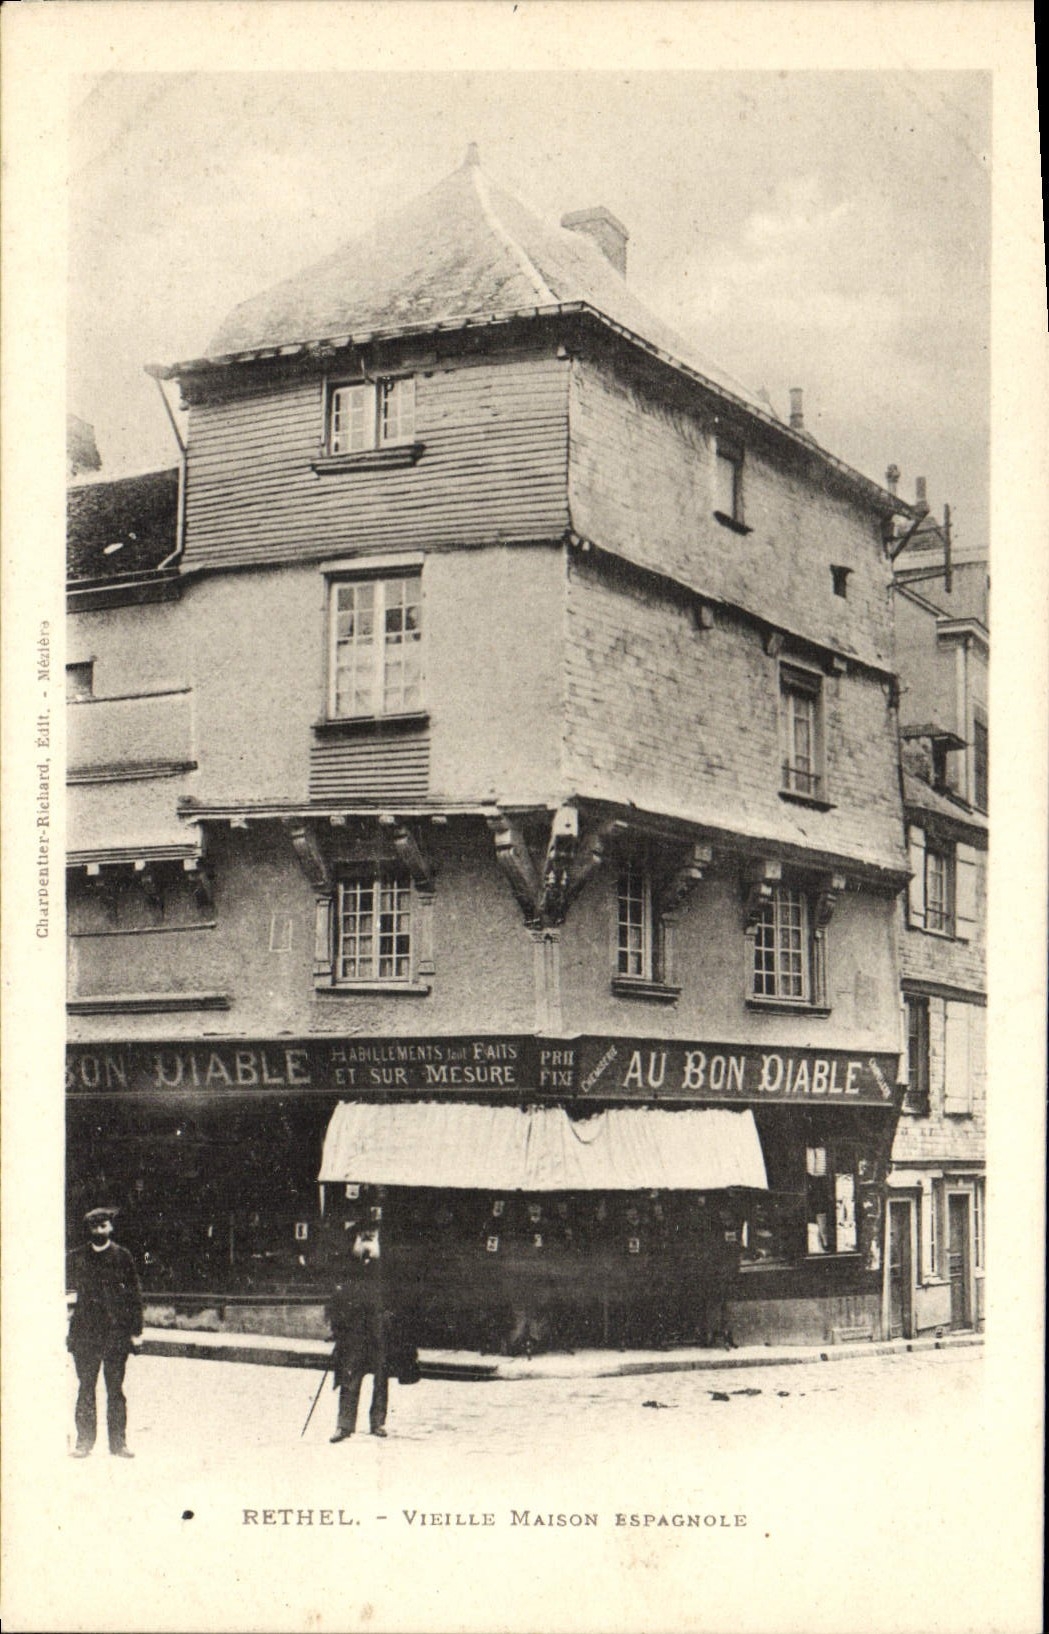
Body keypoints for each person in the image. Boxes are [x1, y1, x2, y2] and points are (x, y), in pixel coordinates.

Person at [67, 1206, 144, 1458]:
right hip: (86, 1334)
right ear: (89, 1229)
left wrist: (136, 1332)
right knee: (86, 1388)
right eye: (94, 1227)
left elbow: (134, 1296)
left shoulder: (123, 1256)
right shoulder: (77, 1257)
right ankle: (84, 1442)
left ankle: (118, 1443)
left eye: (103, 1226)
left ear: (111, 1227)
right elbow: (67, 1293)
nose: (99, 1231)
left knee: (115, 1390)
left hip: (115, 1334)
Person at [327, 1227, 394, 1442]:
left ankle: (378, 1422)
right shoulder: (348, 1258)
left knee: (381, 1375)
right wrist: (338, 1326)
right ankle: (344, 1424)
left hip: (379, 1326)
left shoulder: (386, 1256)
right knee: (349, 1374)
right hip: (354, 1328)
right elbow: (336, 1291)